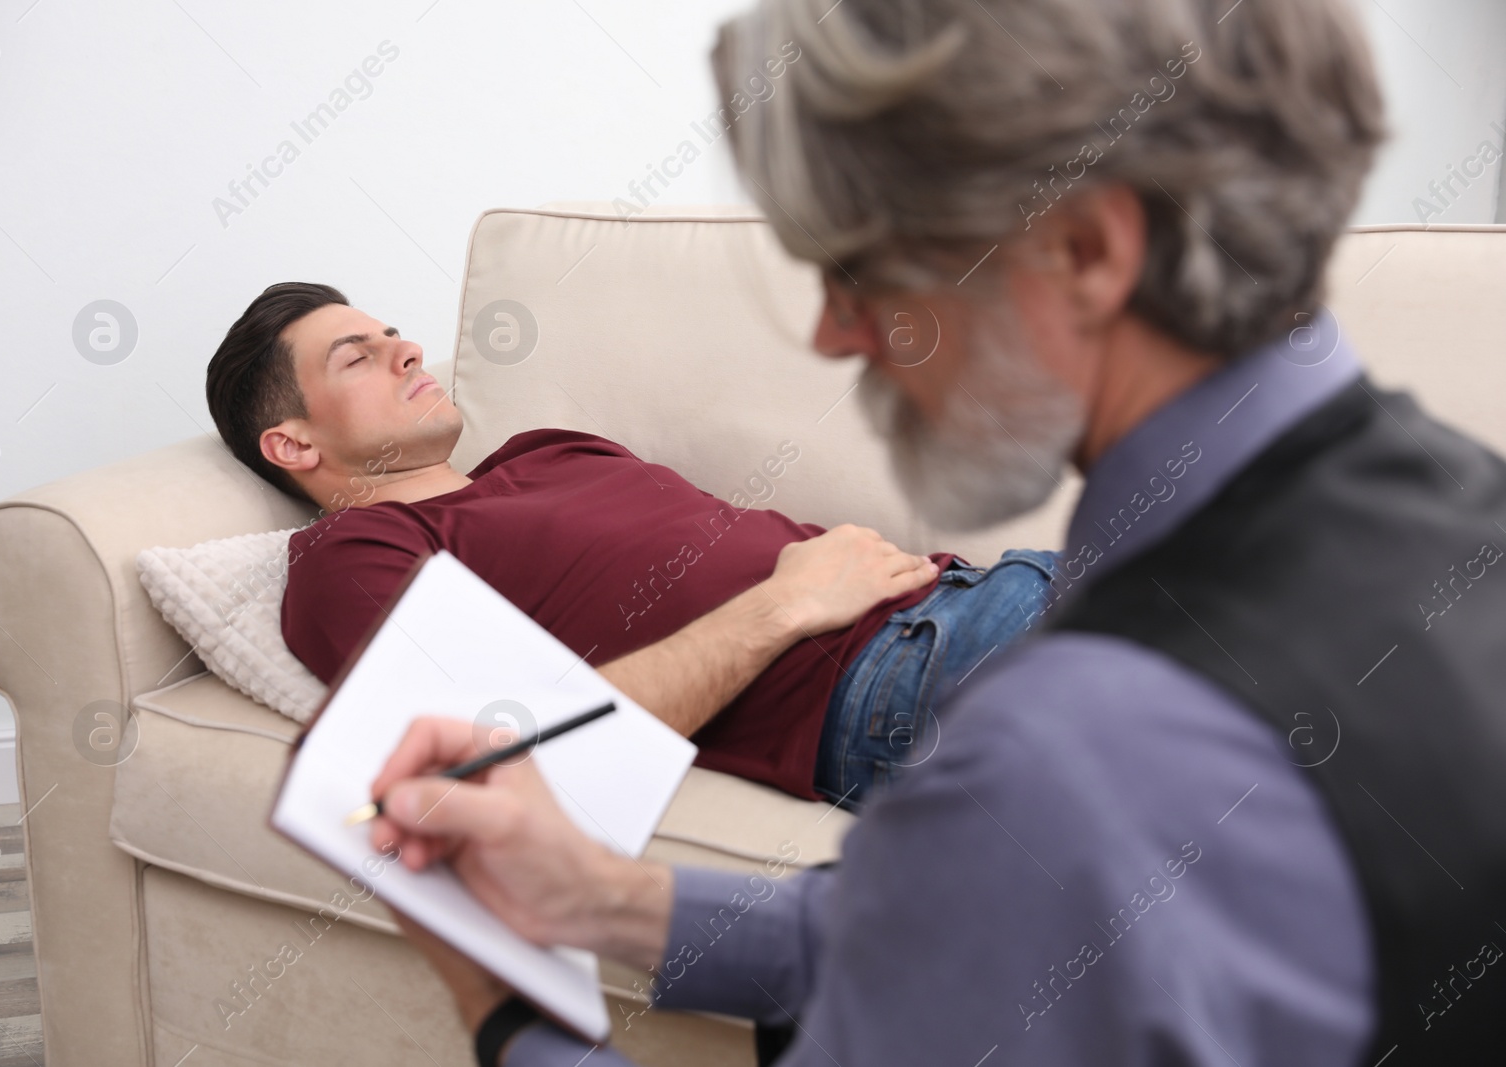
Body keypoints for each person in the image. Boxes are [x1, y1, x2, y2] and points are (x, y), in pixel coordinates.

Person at [363, 0, 1506, 1063]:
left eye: (860, 268)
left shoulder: (1071, 754)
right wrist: (600, 899)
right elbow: (966, 918)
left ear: (1086, 251)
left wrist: (504, 1003)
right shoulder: (1465, 504)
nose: (832, 331)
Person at [204, 284, 1059, 808]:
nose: (407, 350)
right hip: (904, 674)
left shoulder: (548, 449)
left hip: (990, 590)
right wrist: (789, 601)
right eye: (359, 358)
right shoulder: (351, 555)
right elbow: (501, 757)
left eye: (395, 334)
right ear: (293, 446)